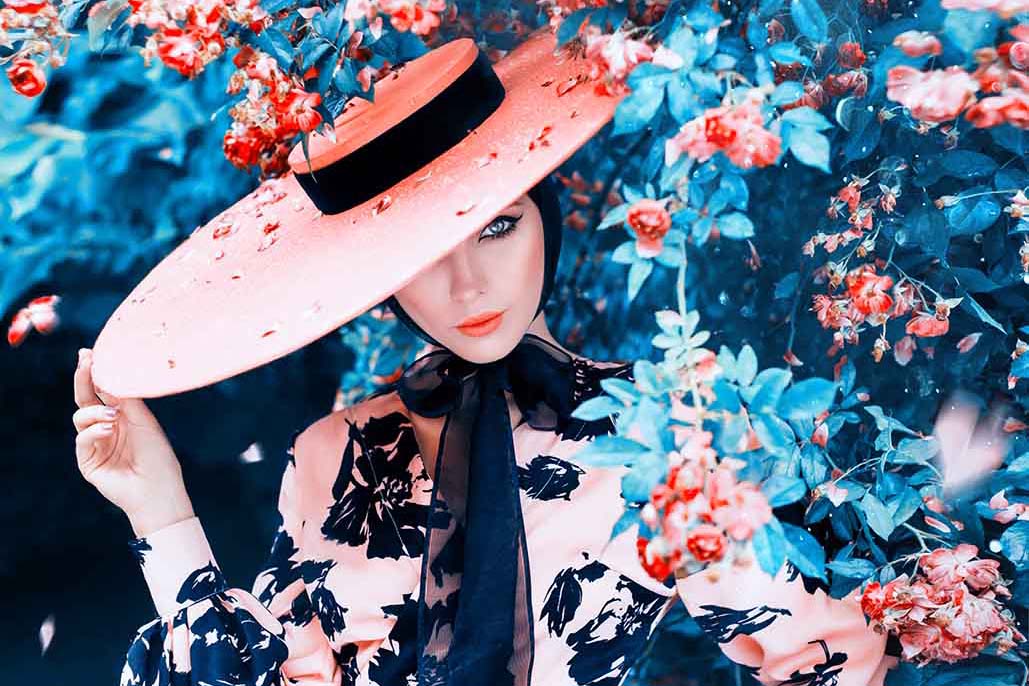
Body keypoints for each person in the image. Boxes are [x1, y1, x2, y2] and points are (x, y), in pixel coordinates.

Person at [72, 26, 895, 686]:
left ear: (546, 218)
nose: (467, 285)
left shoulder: (660, 432)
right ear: (380, 282)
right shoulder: (332, 452)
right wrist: (160, 513)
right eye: (421, 256)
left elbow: (828, 655)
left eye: (497, 226)